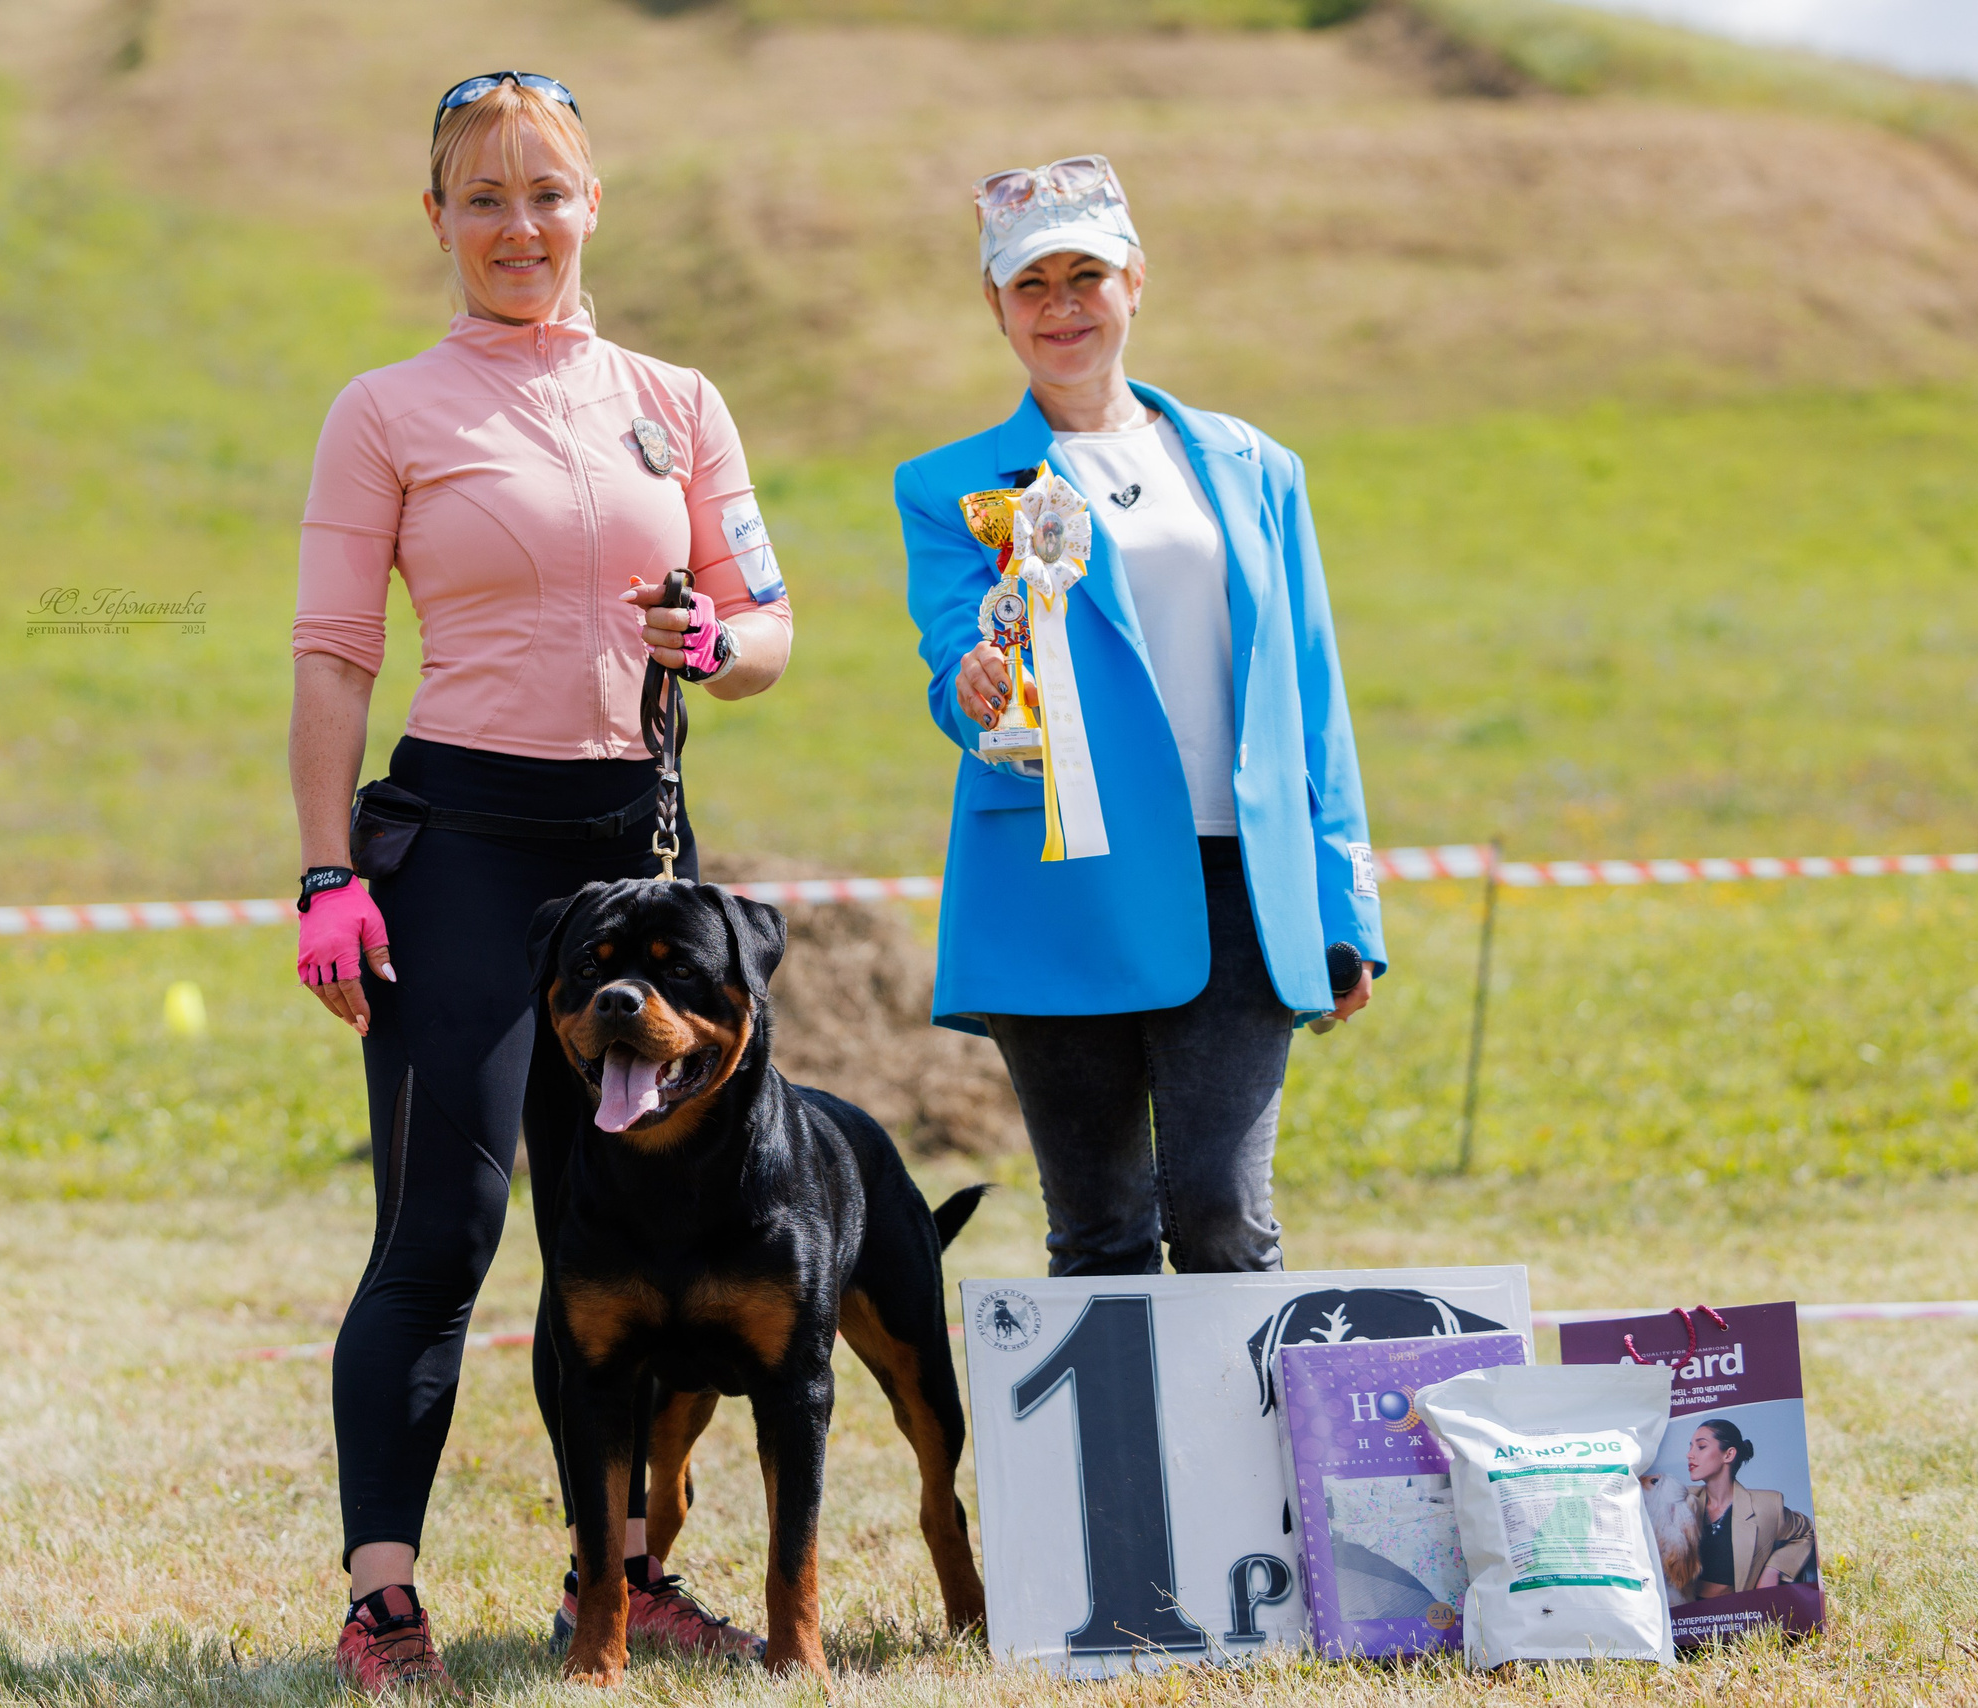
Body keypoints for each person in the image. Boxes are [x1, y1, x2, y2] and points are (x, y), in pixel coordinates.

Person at [289, 71, 792, 1691]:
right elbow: (331, 656)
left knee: (641, 1230)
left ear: (592, 205)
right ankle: (384, 1597)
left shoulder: (679, 397)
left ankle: (632, 1570)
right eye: (485, 198)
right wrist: (322, 874)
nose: (521, 225)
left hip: (636, 856)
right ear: (437, 218)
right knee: (444, 1227)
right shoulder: (385, 408)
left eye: (548, 193)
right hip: (459, 850)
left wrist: (715, 645)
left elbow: (767, 629)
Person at [896, 155, 1381, 1278]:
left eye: (1085, 276)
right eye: (1031, 286)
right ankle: (1113, 1466)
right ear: (995, 305)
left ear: (1135, 281)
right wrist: (973, 693)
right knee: (1101, 1233)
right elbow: (954, 667)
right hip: (1058, 884)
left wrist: (1344, 896)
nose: (1062, 307)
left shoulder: (1257, 464)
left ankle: (1241, 1460)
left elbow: (1312, 690)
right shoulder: (946, 484)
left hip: (1239, 887)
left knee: (1223, 1216)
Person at [1685, 1419, 1817, 1597]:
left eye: (1701, 1447)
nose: (1689, 1455)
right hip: (1684, 1615)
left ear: (1729, 1455)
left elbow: (1807, 1532)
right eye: (1690, 1447)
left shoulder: (1767, 1505)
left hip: (1737, 1615)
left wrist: (1774, 1568)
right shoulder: (1680, 1499)